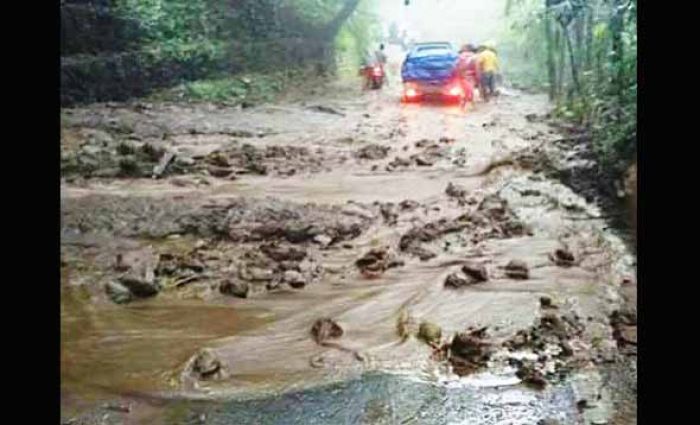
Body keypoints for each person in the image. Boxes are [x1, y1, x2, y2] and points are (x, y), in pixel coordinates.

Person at [455, 44, 480, 109]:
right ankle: (470, 105)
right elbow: (477, 69)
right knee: (470, 92)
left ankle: (463, 105)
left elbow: (456, 68)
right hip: (470, 77)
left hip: (462, 77)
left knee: (465, 91)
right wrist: (478, 79)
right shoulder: (474, 57)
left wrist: (458, 77)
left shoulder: (460, 57)